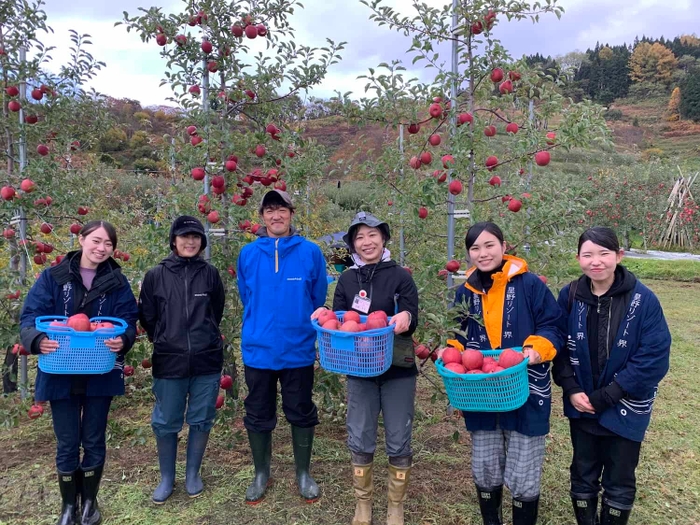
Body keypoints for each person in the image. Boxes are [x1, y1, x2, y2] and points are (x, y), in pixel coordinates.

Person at [20, 220, 138, 525]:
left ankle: (89, 503)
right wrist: (36, 339)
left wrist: (123, 339)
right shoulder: (54, 276)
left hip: (101, 368)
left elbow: (129, 319)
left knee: (95, 438)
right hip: (60, 368)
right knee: (68, 440)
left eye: (108, 244)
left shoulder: (117, 281)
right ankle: (68, 507)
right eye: (96, 241)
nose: (101, 248)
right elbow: (31, 315)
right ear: (82, 239)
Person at [552, 227, 671, 525]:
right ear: (578, 257)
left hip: (624, 405)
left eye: (604, 254)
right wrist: (570, 386)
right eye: (588, 254)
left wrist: (609, 395)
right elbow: (557, 343)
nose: (596, 261)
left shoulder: (643, 301)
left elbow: (654, 356)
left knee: (619, 476)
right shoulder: (570, 295)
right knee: (583, 471)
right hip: (582, 404)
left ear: (619, 256)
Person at [452, 222, 565, 525]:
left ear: (504, 247)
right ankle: (492, 521)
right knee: (485, 463)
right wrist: (449, 353)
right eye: (475, 248)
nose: (483, 253)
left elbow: (553, 325)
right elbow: (456, 334)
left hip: (525, 387)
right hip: (481, 391)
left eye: (489, 245)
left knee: (524, 466)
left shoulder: (529, 285)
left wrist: (534, 350)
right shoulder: (466, 292)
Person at [312, 211, 419, 525]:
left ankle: (395, 506)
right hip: (358, 369)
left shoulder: (401, 276)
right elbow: (342, 320)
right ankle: (363, 504)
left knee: (399, 437)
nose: (367, 241)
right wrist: (326, 316)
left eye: (372, 234)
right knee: (360, 436)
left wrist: (406, 319)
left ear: (383, 238)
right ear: (353, 244)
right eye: (360, 237)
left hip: (398, 368)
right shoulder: (347, 278)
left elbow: (413, 315)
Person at [237, 189, 328, 504]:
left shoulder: (310, 252)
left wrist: (297, 323)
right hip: (258, 349)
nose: (276, 215)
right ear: (262, 217)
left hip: (298, 348)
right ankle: (261, 472)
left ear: (291, 213)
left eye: (282, 209)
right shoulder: (248, 254)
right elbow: (246, 296)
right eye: (270, 210)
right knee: (258, 412)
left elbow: (317, 298)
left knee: (301, 410)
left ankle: (303, 473)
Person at [138, 216, 225, 504]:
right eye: (184, 236)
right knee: (166, 420)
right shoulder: (156, 276)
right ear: (173, 240)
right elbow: (148, 317)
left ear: (202, 242)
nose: (190, 241)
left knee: (201, 418)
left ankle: (192, 474)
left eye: (196, 237)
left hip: (206, 360)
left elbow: (216, 310)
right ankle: (167, 477)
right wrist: (165, 339)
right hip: (169, 360)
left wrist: (205, 338)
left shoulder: (210, 274)